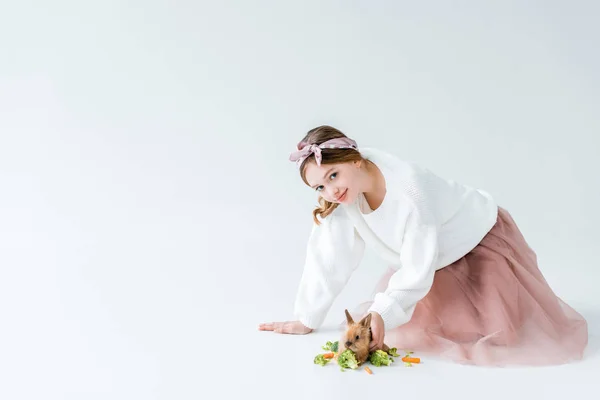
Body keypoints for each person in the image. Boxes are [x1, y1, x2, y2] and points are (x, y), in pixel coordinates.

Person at [258, 125, 588, 366]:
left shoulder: (410, 192)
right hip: (431, 254)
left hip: (476, 239)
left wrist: (385, 311)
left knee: (501, 336)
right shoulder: (346, 195)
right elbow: (330, 256)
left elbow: (417, 266)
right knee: (418, 320)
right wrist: (308, 316)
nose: (330, 191)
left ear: (355, 160)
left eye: (333, 175)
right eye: (319, 186)